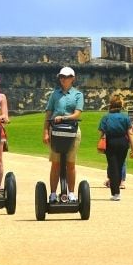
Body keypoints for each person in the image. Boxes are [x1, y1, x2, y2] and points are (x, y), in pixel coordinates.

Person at [42, 66, 83, 203]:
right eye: (61, 77)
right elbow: (49, 113)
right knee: (56, 164)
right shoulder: (55, 94)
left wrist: (63, 118)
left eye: (66, 77)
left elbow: (77, 113)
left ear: (73, 78)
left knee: (71, 164)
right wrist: (45, 132)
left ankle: (71, 193)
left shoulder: (78, 95)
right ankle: (53, 194)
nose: (64, 79)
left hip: (72, 131)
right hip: (56, 130)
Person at [98, 94, 133, 201]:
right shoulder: (125, 117)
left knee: (112, 166)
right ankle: (117, 188)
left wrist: (100, 144)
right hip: (123, 142)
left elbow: (101, 132)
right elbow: (130, 133)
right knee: (119, 166)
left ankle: (115, 192)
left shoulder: (106, 117)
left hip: (111, 142)